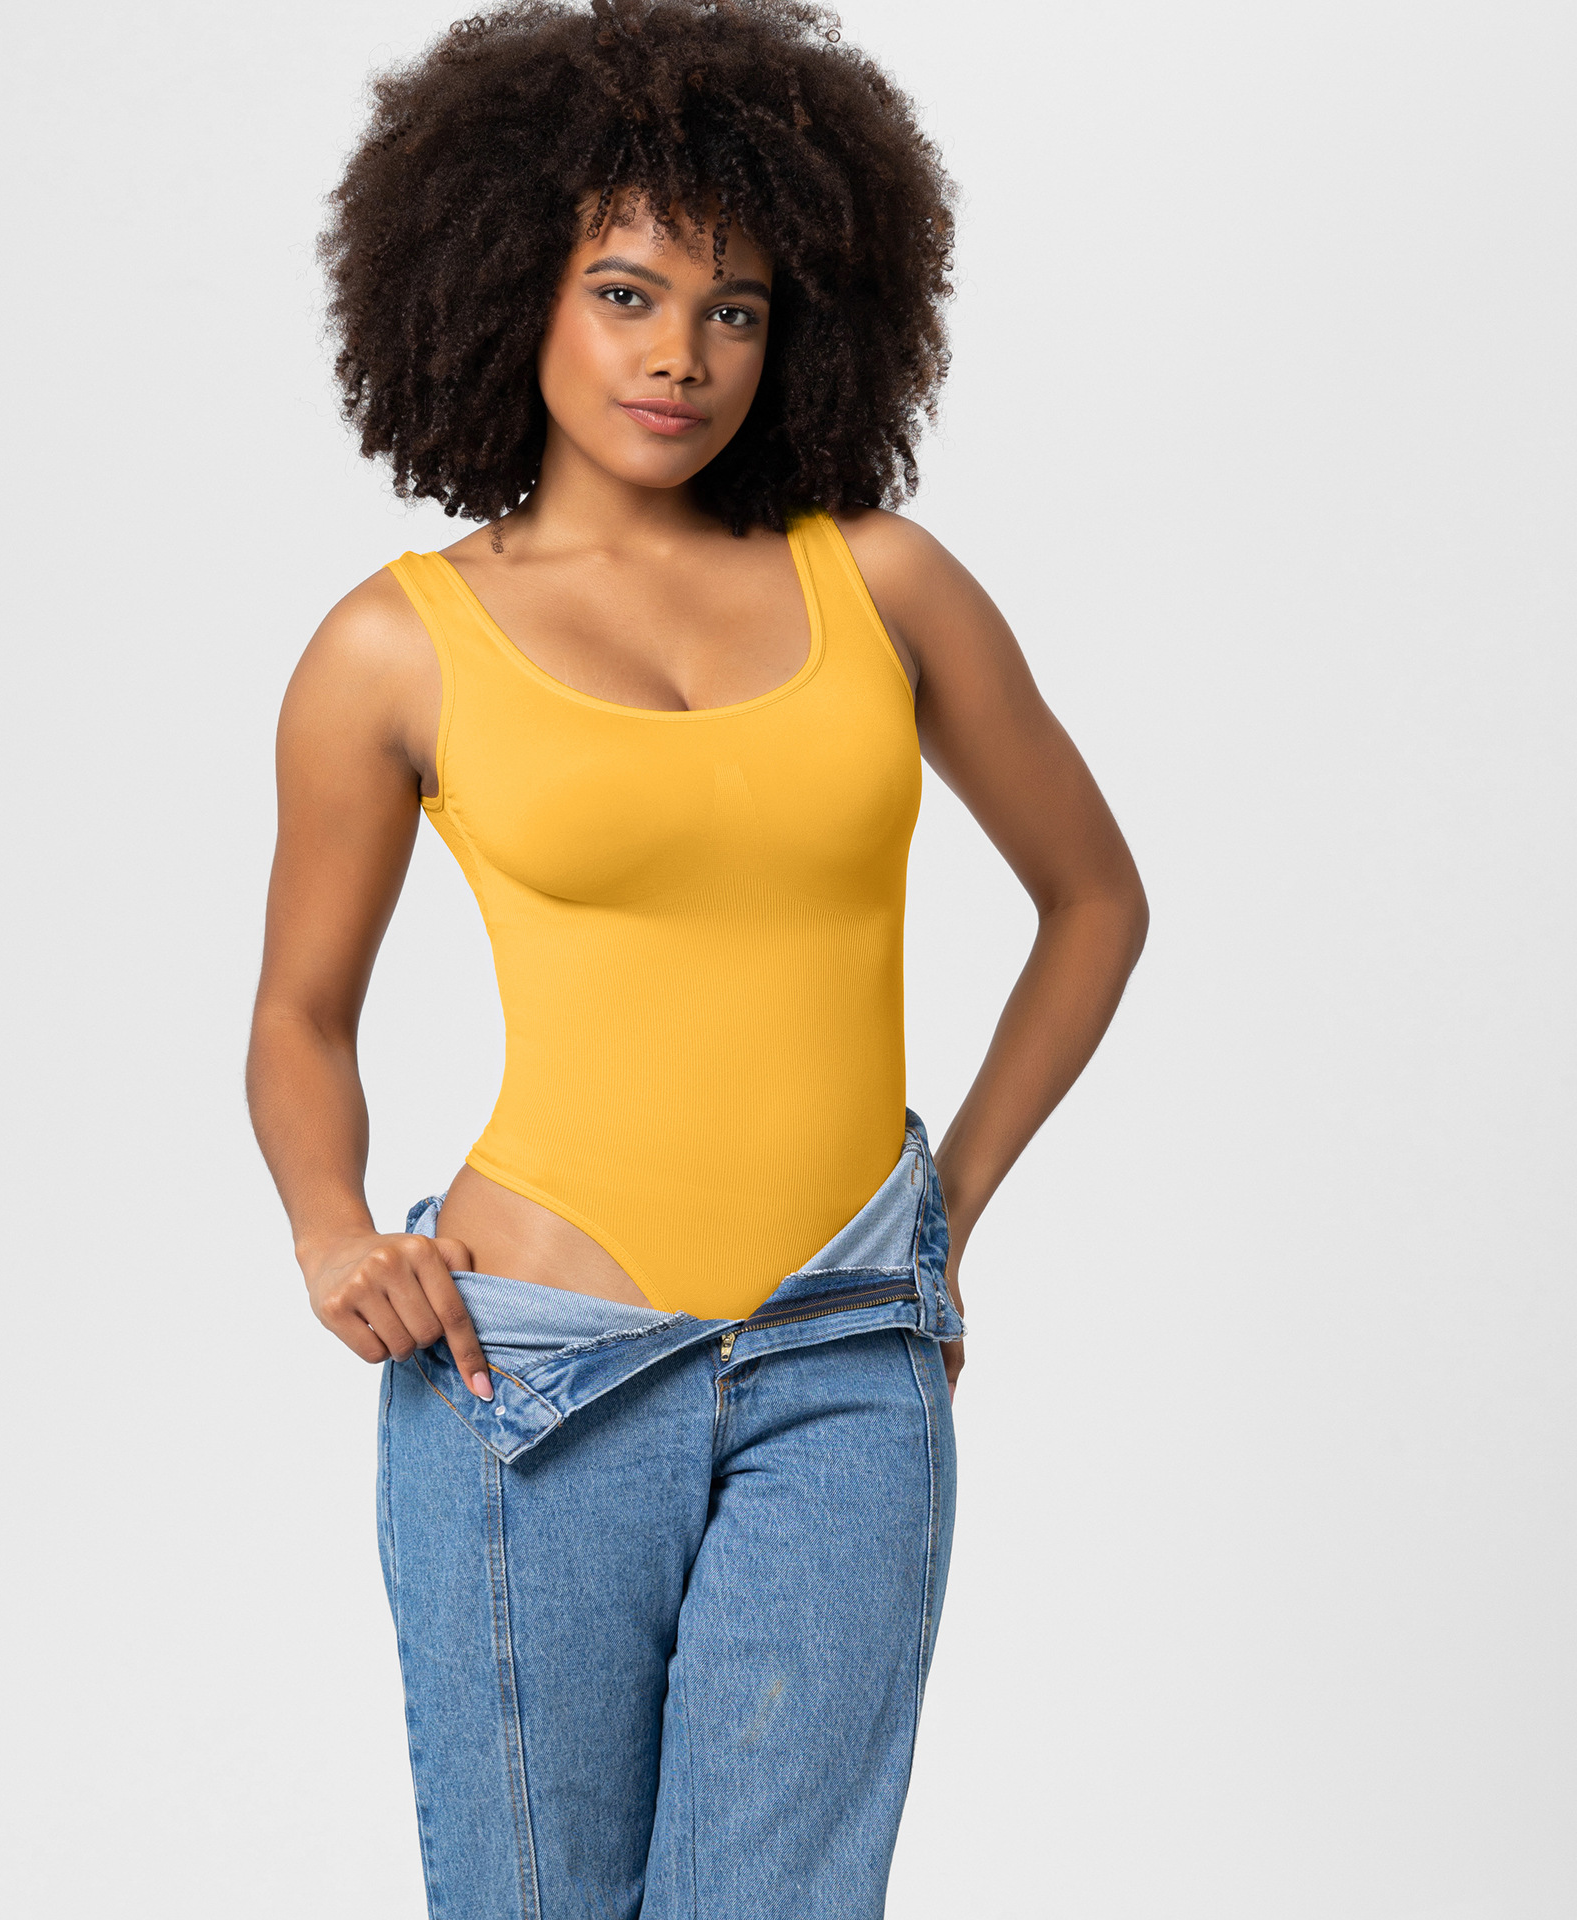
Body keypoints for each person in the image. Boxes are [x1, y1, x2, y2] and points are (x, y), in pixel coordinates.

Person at [245, 2, 1148, 1913]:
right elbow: (301, 1015)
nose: (680, 354)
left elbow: (1095, 901)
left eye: (733, 308)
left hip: (845, 1361)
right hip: (532, 1372)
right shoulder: (393, 647)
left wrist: (945, 1217)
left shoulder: (883, 584)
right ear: (509, 288)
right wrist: (332, 1230)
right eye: (627, 293)